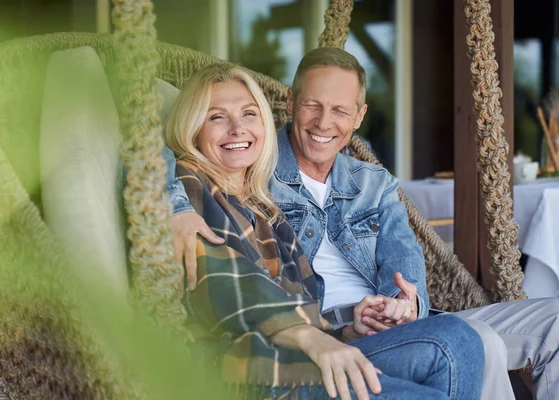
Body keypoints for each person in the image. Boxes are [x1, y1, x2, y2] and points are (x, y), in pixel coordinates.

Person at [166, 48, 559, 400]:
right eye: (312, 106)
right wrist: (177, 206)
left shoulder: (374, 182)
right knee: (478, 341)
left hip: (393, 322)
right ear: (290, 103)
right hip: (322, 331)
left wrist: (402, 304)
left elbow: (404, 264)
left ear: (359, 116)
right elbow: (160, 152)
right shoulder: (253, 166)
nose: (323, 123)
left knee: (552, 322)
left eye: (340, 110)